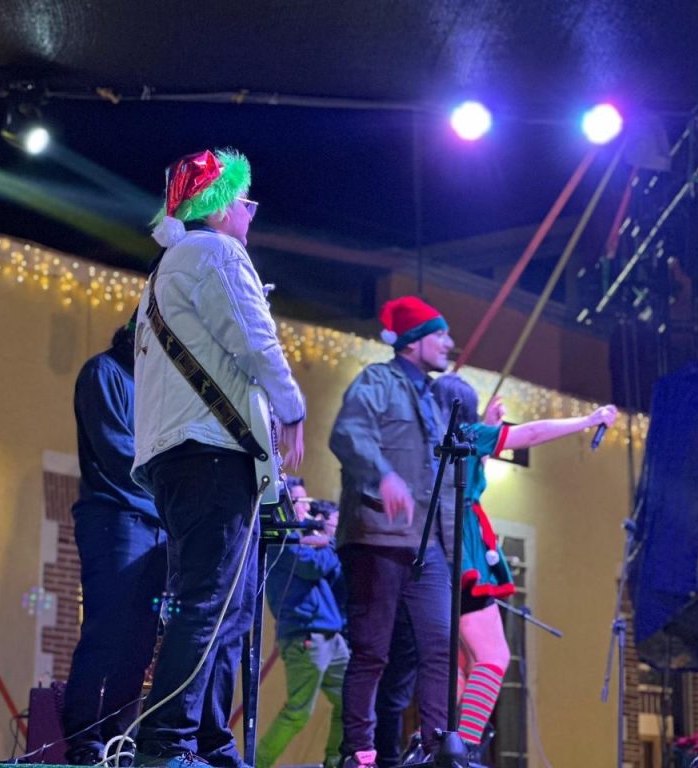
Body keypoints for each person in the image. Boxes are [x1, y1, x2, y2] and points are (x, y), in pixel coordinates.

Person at [329, 296, 616, 768]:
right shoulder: (391, 391)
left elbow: (481, 450)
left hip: (430, 546)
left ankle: (438, 745)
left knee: (444, 656)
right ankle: (399, 748)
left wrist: (490, 428)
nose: (449, 343)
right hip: (413, 542)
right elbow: (351, 433)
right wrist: (384, 475)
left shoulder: (439, 412)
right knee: (409, 654)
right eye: (440, 334)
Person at [130, 148, 306, 768]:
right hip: (211, 453)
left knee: (223, 605)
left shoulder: (166, 270)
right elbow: (255, 341)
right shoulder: (217, 254)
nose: (251, 213)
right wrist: (292, 407)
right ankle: (168, 740)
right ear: (222, 206)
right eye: (246, 201)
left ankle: (208, 739)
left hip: (182, 454)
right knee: (211, 601)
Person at [62, 316, 168, 766]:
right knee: (106, 632)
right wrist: (176, 476)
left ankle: (117, 740)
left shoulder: (154, 388)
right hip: (115, 518)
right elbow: (117, 450)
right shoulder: (102, 372)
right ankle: (84, 740)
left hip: (155, 523)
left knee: (140, 643)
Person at [256, 477, 349, 768]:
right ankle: (256, 763)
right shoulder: (281, 537)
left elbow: (334, 576)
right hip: (304, 636)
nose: (307, 510)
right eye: (300, 502)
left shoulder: (308, 538)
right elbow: (312, 566)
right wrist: (332, 541)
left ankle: (336, 761)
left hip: (331, 634)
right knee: (298, 712)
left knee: (351, 703)